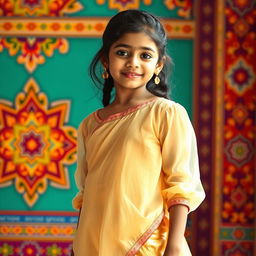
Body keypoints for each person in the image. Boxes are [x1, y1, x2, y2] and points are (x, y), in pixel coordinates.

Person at [72, 9, 205, 256]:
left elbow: (181, 185)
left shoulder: (166, 113)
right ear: (106, 60)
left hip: (149, 244)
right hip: (92, 245)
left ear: (158, 65)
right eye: (123, 53)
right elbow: (86, 193)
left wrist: (174, 245)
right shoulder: (90, 125)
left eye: (145, 55)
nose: (133, 62)